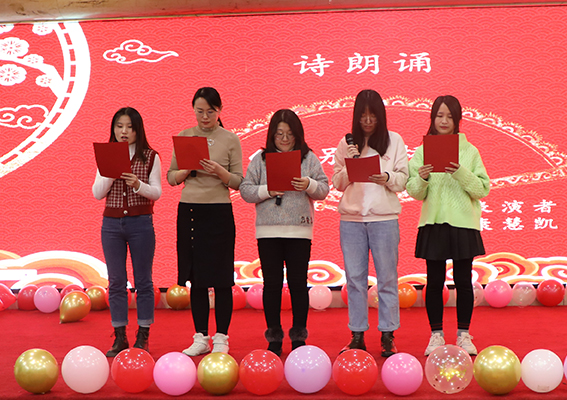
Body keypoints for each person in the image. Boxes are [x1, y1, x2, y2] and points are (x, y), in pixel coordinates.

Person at [240, 109, 329, 356]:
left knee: (298, 284)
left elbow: (324, 189)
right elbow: (245, 190)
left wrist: (308, 184)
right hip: (268, 231)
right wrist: (268, 190)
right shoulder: (261, 159)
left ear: (298, 135)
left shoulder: (308, 158)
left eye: (290, 134)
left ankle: (299, 336)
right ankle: (274, 337)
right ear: (271, 135)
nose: (285, 139)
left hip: (299, 230)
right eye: (279, 134)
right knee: (272, 285)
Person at [406, 95, 490, 356]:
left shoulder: (470, 151)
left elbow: (482, 189)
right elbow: (414, 191)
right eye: (439, 116)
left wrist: (460, 172)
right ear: (432, 118)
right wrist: (422, 178)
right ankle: (436, 335)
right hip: (434, 222)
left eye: (450, 117)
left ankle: (464, 334)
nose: (444, 121)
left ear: (458, 120)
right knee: (434, 282)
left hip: (463, 223)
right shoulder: (422, 151)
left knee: (463, 281)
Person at [332, 89, 408, 357]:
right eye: (362, 115)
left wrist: (385, 177)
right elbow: (337, 182)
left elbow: (403, 179)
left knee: (387, 278)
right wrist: (350, 165)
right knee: (355, 279)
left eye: (372, 115)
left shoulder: (394, 140)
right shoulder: (347, 143)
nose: (367, 120)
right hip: (351, 221)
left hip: (384, 219)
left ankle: (388, 335)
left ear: (380, 116)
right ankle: (357, 335)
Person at [167, 87, 243, 356]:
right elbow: (171, 178)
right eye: (199, 111)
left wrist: (220, 172)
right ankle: (200, 337)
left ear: (219, 110)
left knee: (222, 279)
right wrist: (187, 168)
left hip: (219, 212)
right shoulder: (186, 136)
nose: (205, 117)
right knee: (196, 278)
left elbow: (239, 182)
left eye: (210, 111)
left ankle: (221, 337)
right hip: (190, 211)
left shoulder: (230, 139)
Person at [92, 107, 162, 357]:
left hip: (140, 223)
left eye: (129, 127)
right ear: (113, 128)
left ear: (138, 130)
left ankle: (143, 335)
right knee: (116, 282)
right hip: (111, 225)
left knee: (143, 281)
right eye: (119, 126)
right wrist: (111, 174)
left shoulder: (150, 156)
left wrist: (138, 184)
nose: (124, 132)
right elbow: (97, 193)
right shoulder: (107, 154)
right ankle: (119, 336)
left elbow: (157, 192)